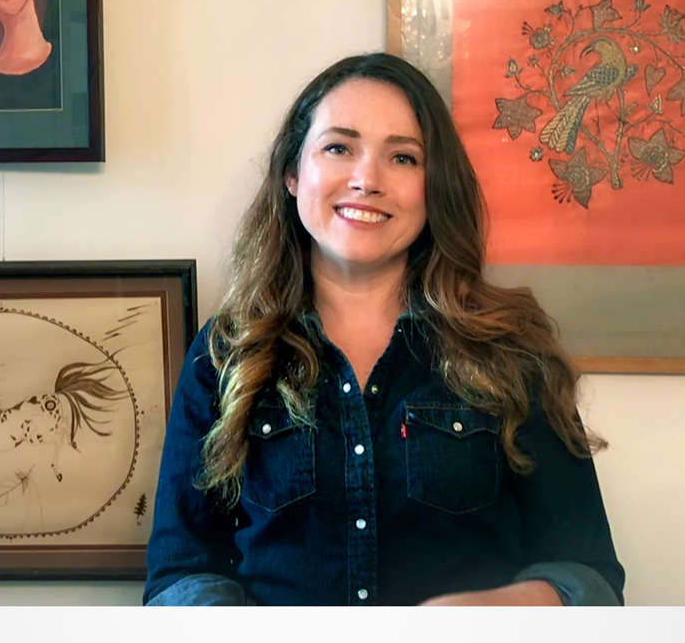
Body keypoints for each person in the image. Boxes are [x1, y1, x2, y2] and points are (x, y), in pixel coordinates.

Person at [144, 53, 624, 606]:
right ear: (293, 174)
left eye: (402, 157)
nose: (367, 180)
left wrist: (493, 610)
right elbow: (178, 574)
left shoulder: (510, 348)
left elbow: (591, 578)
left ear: (434, 187)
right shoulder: (225, 352)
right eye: (338, 148)